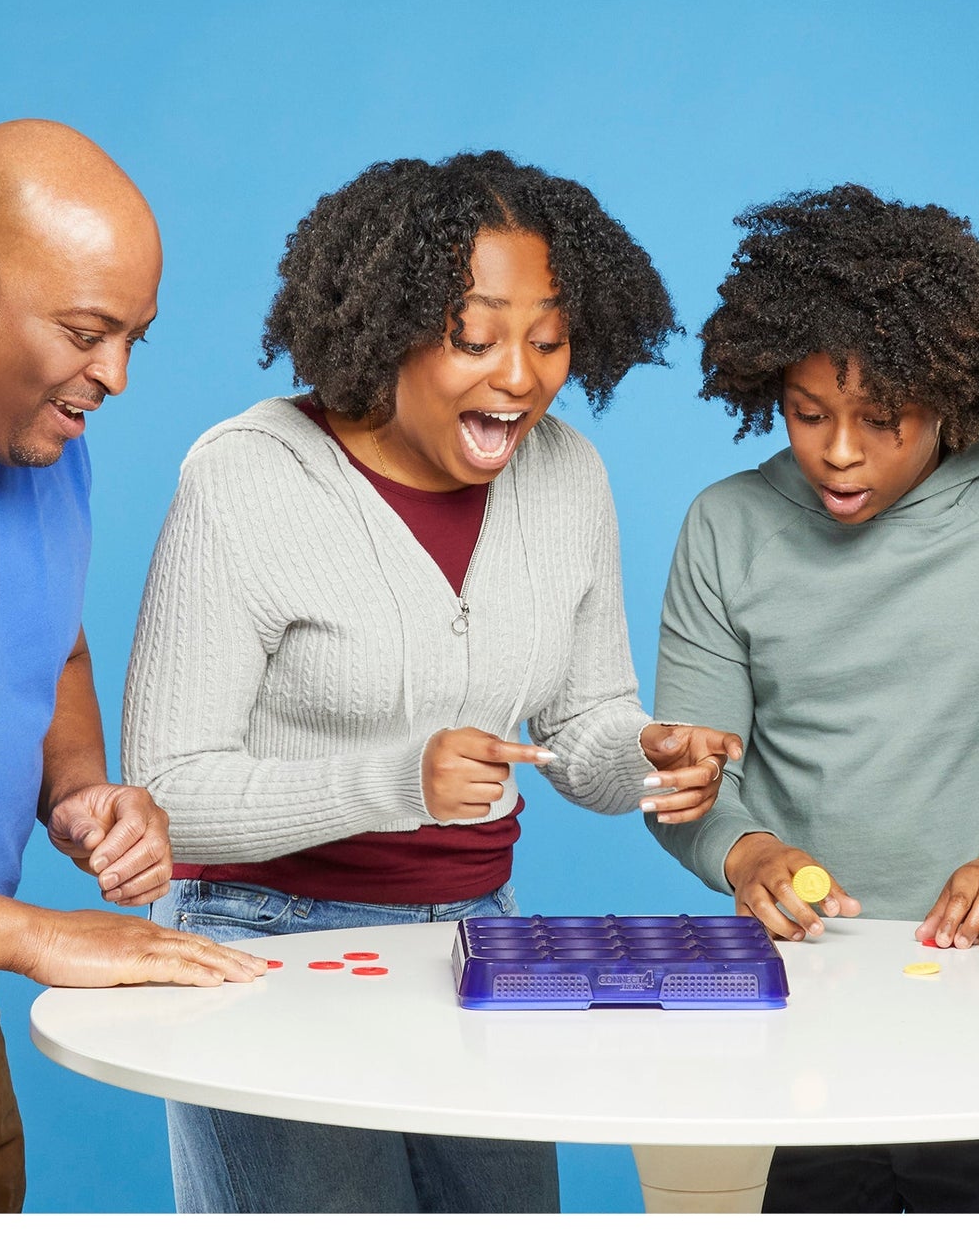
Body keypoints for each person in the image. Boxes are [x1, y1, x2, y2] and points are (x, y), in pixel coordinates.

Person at [120, 148, 742, 1214]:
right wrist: (397, 780)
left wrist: (641, 754)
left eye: (546, 340)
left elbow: (582, 723)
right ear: (385, 325)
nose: (520, 374)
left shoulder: (568, 476)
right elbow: (167, 790)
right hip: (262, 943)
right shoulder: (246, 477)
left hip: (477, 940)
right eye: (475, 337)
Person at [647, 182, 979, 1214]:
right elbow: (691, 779)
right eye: (808, 413)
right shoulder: (726, 526)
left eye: (881, 418)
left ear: (952, 397)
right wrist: (745, 853)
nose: (839, 451)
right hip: (811, 1002)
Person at [0, 119, 269, 1215]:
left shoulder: (44, 444)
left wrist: (78, 789)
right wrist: (40, 935)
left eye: (133, 338)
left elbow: (52, 634)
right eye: (85, 331)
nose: (112, 376)